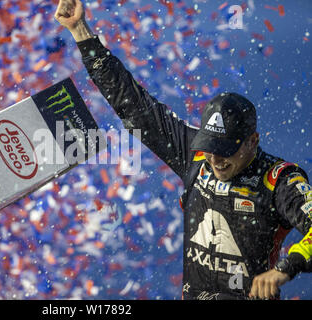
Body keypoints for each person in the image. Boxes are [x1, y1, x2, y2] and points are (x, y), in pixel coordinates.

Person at [54, 0, 312, 300]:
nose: (215, 158)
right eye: (210, 146)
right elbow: (134, 104)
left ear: (253, 141)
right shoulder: (196, 154)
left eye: (226, 149)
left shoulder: (279, 180)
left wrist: (284, 268)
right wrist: (80, 30)